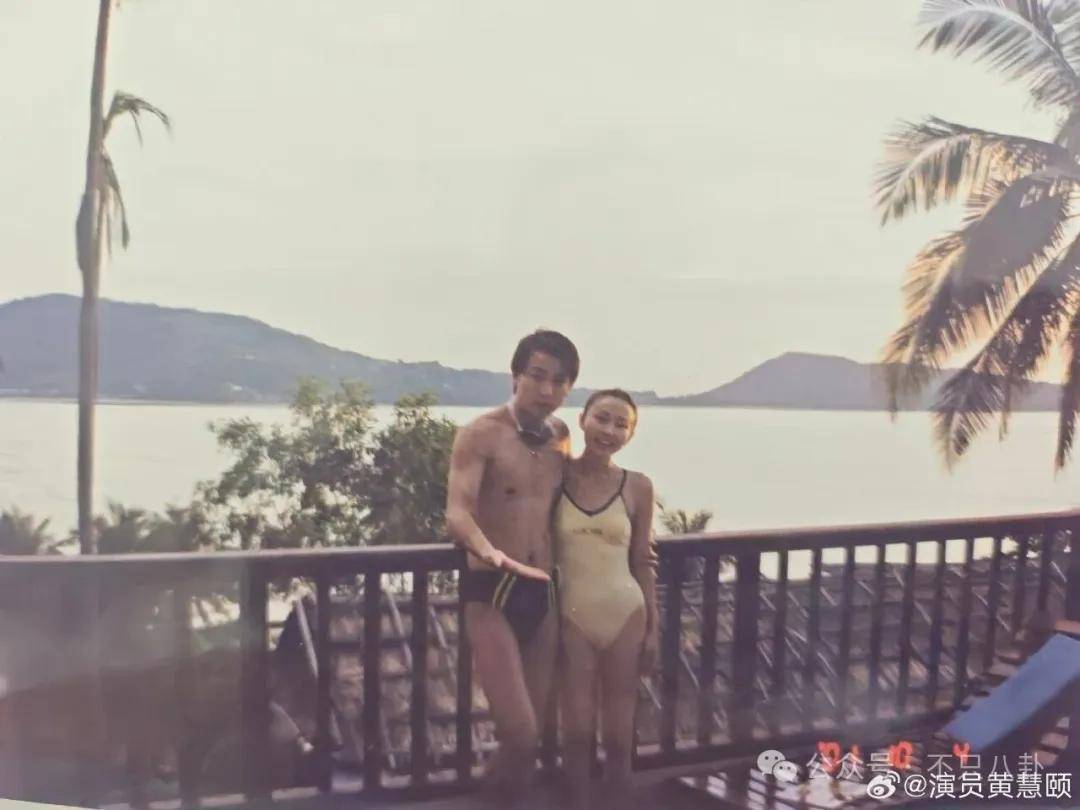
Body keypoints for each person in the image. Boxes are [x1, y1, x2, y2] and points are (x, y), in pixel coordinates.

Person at [445, 329, 579, 802]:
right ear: (516, 376)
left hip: (543, 590)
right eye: (537, 376)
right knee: (519, 733)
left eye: (559, 381)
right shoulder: (481, 434)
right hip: (493, 589)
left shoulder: (561, 437)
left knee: (532, 739)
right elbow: (457, 512)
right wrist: (492, 553)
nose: (547, 389)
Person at [554, 388, 658, 810]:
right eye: (602, 418)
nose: (609, 431)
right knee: (577, 732)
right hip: (571, 615)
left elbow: (643, 560)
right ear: (582, 419)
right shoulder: (554, 478)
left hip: (626, 613)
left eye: (621, 424)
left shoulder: (638, 486)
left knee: (619, 736)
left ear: (630, 434)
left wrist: (654, 628)